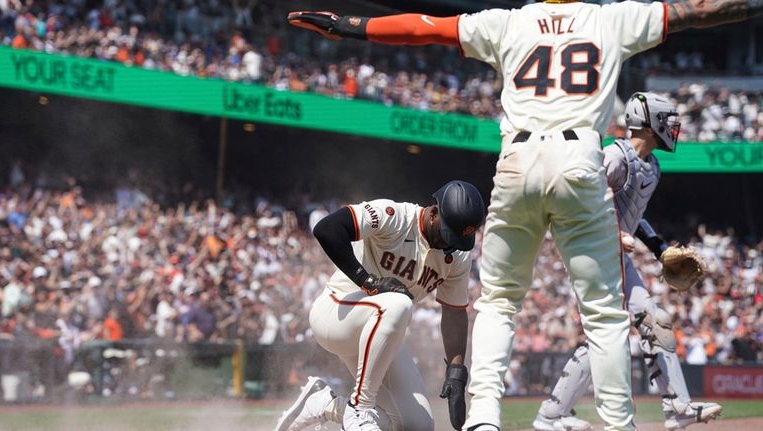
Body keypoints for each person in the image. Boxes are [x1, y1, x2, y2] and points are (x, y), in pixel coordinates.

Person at [287, 2, 761, 430]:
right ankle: (619, 425)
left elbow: (425, 27)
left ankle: (483, 419)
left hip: (517, 158)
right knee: (602, 314)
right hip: (580, 158)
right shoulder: (611, 17)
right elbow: (697, 10)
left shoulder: (508, 21)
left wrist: (356, 27)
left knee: (497, 301)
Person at [532, 93, 722, 431]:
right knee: (609, 333)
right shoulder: (615, 157)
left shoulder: (651, 165)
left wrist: (660, 249)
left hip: (615, 254)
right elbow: (580, 198)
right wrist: (612, 233)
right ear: (649, 126)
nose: (673, 129)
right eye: (667, 122)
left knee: (655, 322)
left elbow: (635, 218)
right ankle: (552, 414)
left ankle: (676, 406)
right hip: (594, 251)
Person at [273, 180, 486, 431]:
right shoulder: (395, 216)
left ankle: (323, 404)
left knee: (416, 426)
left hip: (380, 337)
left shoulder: (457, 256)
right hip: (337, 314)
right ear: (434, 210)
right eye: (446, 232)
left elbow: (454, 310)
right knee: (399, 303)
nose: (448, 243)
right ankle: (360, 408)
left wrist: (456, 370)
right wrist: (368, 282)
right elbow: (328, 228)